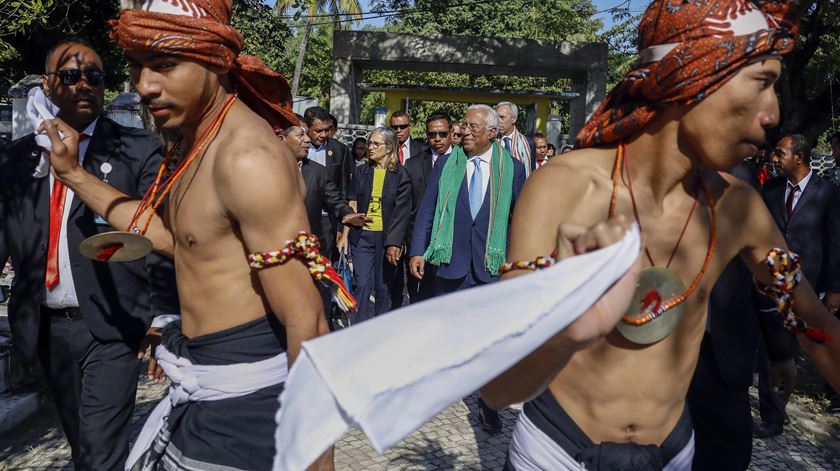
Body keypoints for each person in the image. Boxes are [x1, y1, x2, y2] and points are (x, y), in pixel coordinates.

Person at [479, 2, 840, 469]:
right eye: (761, 83)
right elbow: (496, 386)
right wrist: (567, 332)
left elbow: (819, 332)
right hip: (555, 451)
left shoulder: (739, 208)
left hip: (674, 454)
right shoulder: (565, 187)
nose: (772, 113)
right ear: (688, 76)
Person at [44, 1, 335, 469]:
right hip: (201, 392)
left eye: (164, 65)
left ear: (215, 62)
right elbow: (173, 236)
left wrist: (316, 462)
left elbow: (309, 323)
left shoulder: (246, 158)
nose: (144, 86)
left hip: (244, 410)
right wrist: (74, 175)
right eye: (137, 68)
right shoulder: (196, 142)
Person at [0, 37, 177, 471]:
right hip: (45, 329)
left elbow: (160, 234)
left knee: (101, 452)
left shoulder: (138, 149)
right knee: (83, 445)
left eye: (94, 77)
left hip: (113, 328)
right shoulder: (20, 159)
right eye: (71, 76)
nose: (84, 85)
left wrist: (163, 318)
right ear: (47, 85)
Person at [409, 104, 526, 433]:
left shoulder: (512, 169)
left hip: (491, 266)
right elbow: (428, 210)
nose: (465, 132)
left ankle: (488, 405)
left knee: (490, 340)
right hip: (451, 264)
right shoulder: (448, 164)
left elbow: (522, 218)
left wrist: (520, 264)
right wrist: (417, 250)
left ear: (492, 133)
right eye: (464, 126)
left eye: (474, 127)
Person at [686, 163, 791, 469]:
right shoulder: (652, 173)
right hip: (661, 350)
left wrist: (780, 351)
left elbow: (767, 280)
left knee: (729, 451)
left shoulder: (741, 180)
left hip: (723, 349)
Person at [755, 134, 840, 433]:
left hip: (804, 285)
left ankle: (777, 409)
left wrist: (834, 289)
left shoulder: (827, 193)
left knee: (788, 349)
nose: (774, 158)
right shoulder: (772, 188)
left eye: (780, 153)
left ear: (799, 158)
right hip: (769, 279)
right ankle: (772, 415)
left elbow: (834, 242)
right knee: (769, 348)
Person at [338, 127, 411, 322]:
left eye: (375, 144)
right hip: (362, 236)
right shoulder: (361, 171)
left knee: (383, 286)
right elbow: (351, 203)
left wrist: (396, 242)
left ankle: (379, 329)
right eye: (369, 143)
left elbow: (402, 212)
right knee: (361, 284)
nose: (370, 147)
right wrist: (345, 235)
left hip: (387, 238)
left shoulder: (401, 174)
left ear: (388, 148)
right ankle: (358, 327)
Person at [405, 111, 453, 302]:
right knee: (420, 298)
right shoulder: (412, 164)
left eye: (443, 134)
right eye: (432, 134)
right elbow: (406, 207)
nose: (437, 139)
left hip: (450, 244)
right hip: (420, 243)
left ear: (451, 133)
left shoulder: (464, 162)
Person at [305, 106, 354, 260]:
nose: (324, 135)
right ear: (306, 127)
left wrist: (341, 227)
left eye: (327, 130)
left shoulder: (340, 150)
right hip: (301, 216)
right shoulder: (297, 147)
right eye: (318, 130)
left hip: (327, 219)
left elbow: (344, 189)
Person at [496, 102, 536, 176]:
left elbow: (531, 172)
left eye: (502, 117)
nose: (498, 121)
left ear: (513, 119)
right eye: (496, 117)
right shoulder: (491, 142)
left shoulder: (528, 143)